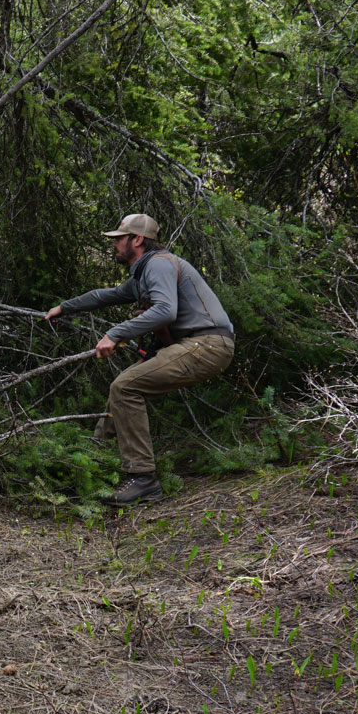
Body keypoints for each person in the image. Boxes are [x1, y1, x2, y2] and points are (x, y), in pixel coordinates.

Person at [44, 213, 235, 505]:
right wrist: (64, 308)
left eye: (119, 239)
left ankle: (143, 478)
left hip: (207, 344)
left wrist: (115, 334)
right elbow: (106, 295)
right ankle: (97, 460)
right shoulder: (144, 273)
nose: (114, 245)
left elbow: (165, 311)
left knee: (126, 387)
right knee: (120, 389)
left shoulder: (158, 264)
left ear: (138, 240)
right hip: (196, 344)